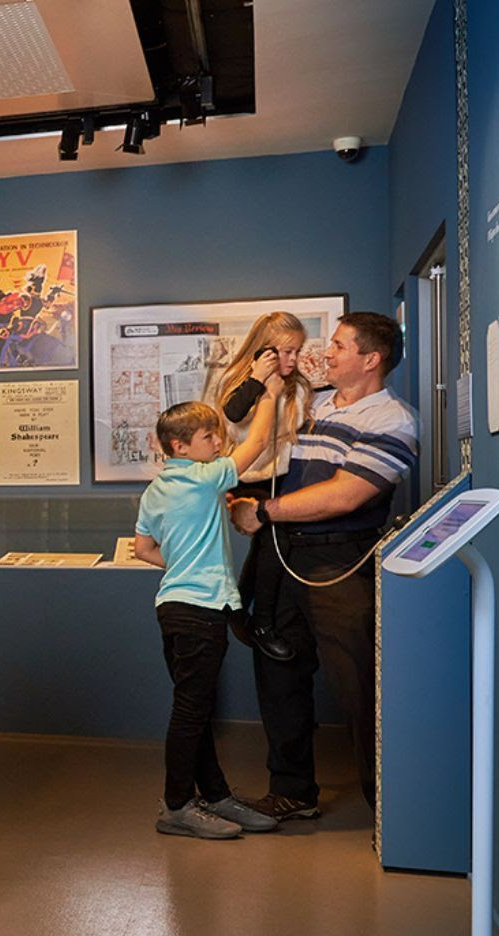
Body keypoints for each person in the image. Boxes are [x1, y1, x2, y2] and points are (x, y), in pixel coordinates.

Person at [229, 313, 418, 820]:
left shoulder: (392, 419)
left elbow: (346, 493)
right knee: (278, 669)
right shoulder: (312, 403)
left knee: (358, 682)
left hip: (340, 559)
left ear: (370, 359)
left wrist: (262, 511)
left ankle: (391, 808)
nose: (326, 353)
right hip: (282, 554)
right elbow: (263, 452)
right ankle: (291, 791)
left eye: (338, 346)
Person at [132, 391, 288, 840]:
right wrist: (270, 393)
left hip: (174, 607)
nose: (218, 442)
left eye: (218, 435)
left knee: (194, 708)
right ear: (179, 446)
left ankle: (215, 795)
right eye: (208, 436)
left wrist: (183, 564)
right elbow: (255, 446)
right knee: (191, 711)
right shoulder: (202, 479)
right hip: (201, 610)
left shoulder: (156, 490)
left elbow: (144, 549)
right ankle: (177, 805)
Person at [202, 313, 319, 662]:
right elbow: (234, 414)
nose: (293, 360)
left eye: (297, 351)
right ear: (263, 350)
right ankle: (262, 622)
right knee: (274, 539)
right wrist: (259, 380)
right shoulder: (237, 382)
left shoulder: (296, 386)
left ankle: (240, 608)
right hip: (248, 477)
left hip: (282, 478)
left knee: (269, 544)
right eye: (285, 352)